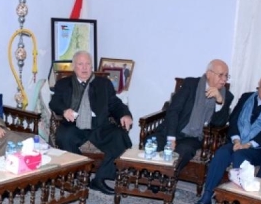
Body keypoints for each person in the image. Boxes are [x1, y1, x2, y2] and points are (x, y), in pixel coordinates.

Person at [188, 73, 261, 204]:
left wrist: (249, 144)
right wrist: (237, 140)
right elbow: (233, 119)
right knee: (221, 153)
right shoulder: (246, 97)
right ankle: (206, 197)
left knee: (240, 156)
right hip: (238, 142)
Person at [49, 50, 133, 195]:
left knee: (120, 137)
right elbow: (54, 102)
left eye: (87, 64)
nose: (84, 68)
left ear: (92, 66)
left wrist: (125, 114)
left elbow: (115, 104)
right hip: (75, 123)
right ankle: (82, 173)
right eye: (80, 64)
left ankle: (99, 179)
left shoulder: (103, 84)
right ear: (74, 66)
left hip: (99, 124)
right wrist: (64, 110)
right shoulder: (63, 84)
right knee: (63, 136)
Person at [153, 59, 234, 174]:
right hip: (175, 129)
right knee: (153, 145)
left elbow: (219, 124)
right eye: (221, 75)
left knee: (184, 151)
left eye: (226, 76)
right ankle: (153, 174)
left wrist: (219, 102)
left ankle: (166, 177)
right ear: (209, 74)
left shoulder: (227, 96)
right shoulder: (191, 84)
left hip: (195, 137)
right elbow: (174, 110)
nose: (224, 79)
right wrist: (171, 138)